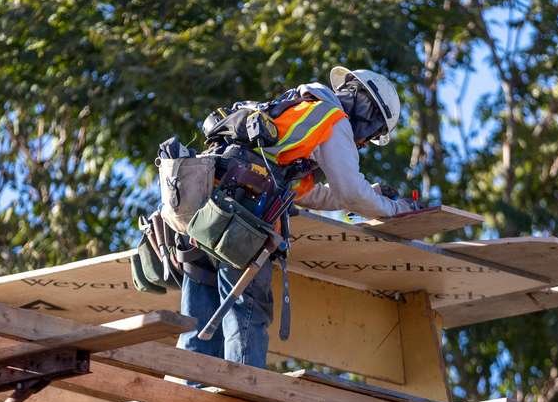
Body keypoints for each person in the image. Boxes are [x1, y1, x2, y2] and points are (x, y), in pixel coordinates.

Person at [176, 66, 418, 370]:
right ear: (367, 110)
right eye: (372, 134)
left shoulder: (295, 108)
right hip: (239, 221)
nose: (365, 143)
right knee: (247, 310)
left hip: (203, 211)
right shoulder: (333, 119)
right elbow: (350, 193)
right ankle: (242, 397)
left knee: (200, 312)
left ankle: (192, 388)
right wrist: (396, 209)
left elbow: (304, 194)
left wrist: (371, 194)